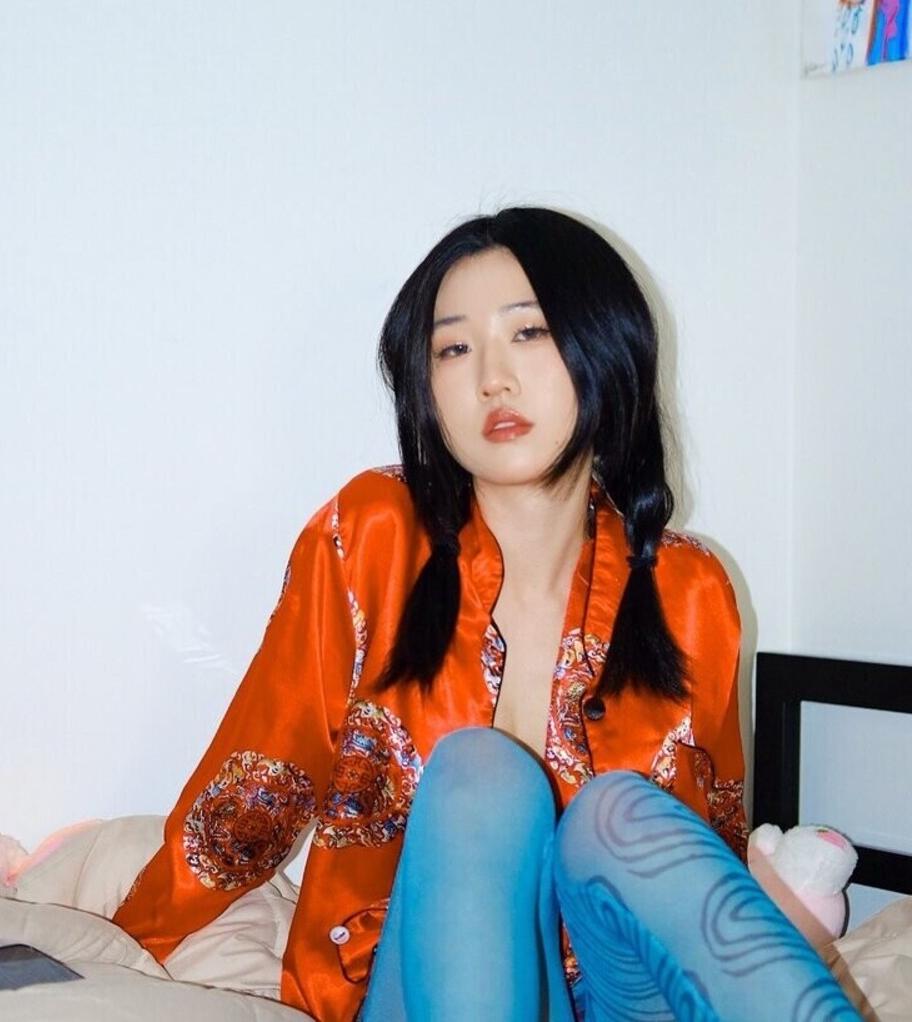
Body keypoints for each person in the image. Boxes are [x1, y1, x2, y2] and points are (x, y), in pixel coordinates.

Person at [113, 208, 857, 1022]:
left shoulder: (692, 589)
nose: (492, 379)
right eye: (454, 349)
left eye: (529, 333)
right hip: (422, 985)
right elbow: (258, 787)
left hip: (616, 995)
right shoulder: (372, 535)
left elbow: (708, 843)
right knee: (483, 775)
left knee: (617, 817)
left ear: (605, 347)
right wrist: (113, 947)